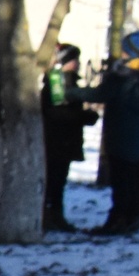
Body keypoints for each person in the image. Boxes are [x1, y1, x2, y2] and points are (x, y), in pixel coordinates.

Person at [91, 29, 139, 237]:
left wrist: (127, 91)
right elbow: (102, 94)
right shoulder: (126, 76)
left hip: (134, 142)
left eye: (126, 53)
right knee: (130, 181)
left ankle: (125, 219)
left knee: (128, 182)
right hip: (124, 139)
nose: (122, 56)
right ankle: (132, 217)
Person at [41, 43, 98, 233]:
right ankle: (50, 215)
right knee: (54, 181)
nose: (78, 64)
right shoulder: (57, 82)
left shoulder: (65, 81)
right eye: (74, 60)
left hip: (62, 141)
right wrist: (84, 117)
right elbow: (57, 113)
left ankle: (54, 215)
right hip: (56, 141)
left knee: (58, 181)